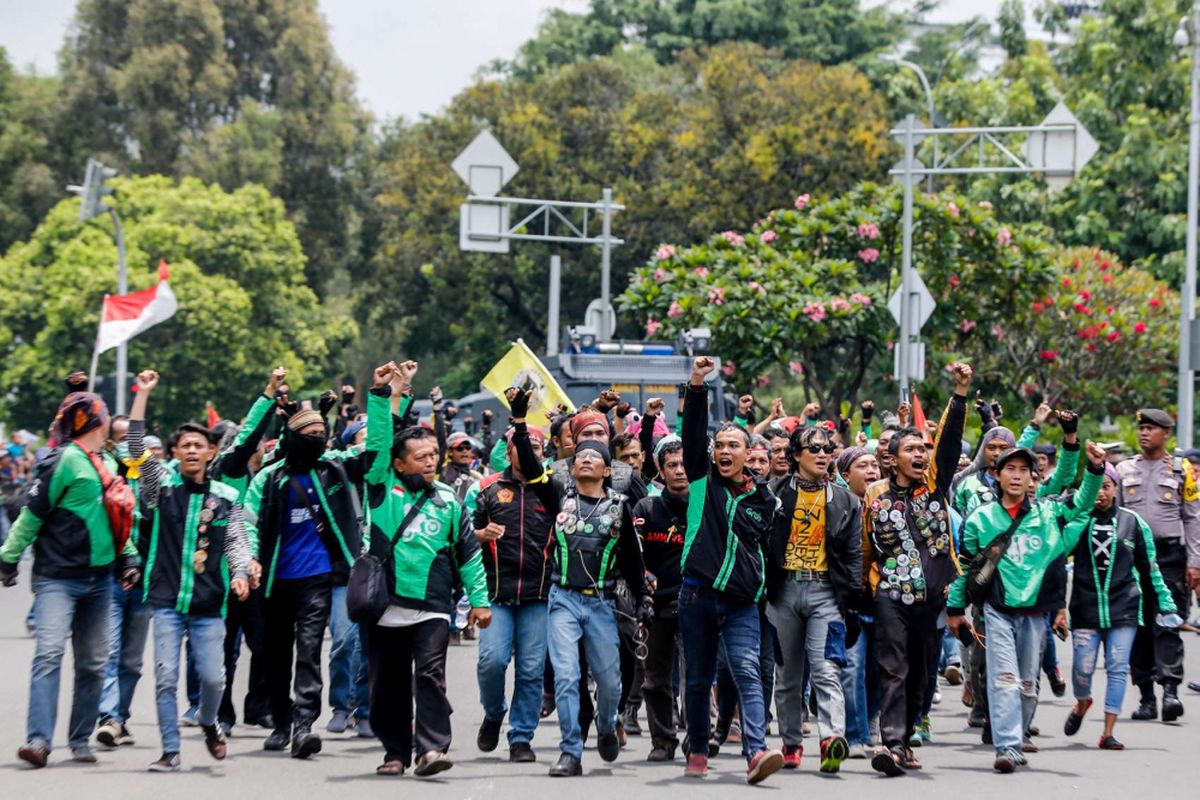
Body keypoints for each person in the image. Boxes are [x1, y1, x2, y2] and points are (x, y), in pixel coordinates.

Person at [505, 384, 649, 778]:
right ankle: (570, 751)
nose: (585, 458)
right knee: (567, 677)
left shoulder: (619, 508)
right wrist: (519, 421)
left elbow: (633, 561)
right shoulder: (559, 497)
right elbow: (533, 469)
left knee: (610, 682)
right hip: (564, 600)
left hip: (602, 603)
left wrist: (642, 603)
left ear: (608, 470)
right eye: (580, 454)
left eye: (595, 457)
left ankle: (606, 725)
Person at [362, 361, 491, 777]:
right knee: (387, 686)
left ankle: (431, 751)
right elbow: (379, 443)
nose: (430, 462)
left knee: (431, 677)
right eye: (419, 458)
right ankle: (395, 751)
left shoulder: (449, 500)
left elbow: (468, 553)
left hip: (434, 607)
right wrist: (382, 395)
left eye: (433, 455)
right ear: (399, 465)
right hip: (386, 607)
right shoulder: (382, 491)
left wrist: (479, 601)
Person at [0, 391, 141, 768]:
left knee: (94, 663)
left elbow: (121, 518)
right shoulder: (64, 460)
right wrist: (8, 558)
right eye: (105, 412)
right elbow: (32, 513)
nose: (110, 416)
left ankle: (80, 739)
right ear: (92, 418)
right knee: (49, 655)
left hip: (100, 582)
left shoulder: (109, 461)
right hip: (57, 579)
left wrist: (129, 557)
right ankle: (39, 742)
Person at [948, 442, 1107, 773]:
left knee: (1027, 685)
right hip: (997, 611)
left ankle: (1017, 736)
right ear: (997, 475)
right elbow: (966, 567)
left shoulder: (1048, 514)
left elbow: (1081, 504)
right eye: (1010, 469)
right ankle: (1006, 746)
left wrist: (1093, 470)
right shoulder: (980, 520)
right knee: (1004, 678)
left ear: (1033, 477)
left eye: (1024, 470)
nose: (1017, 476)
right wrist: (955, 609)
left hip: (1036, 616)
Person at [125, 370, 253, 771]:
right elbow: (132, 446)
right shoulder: (159, 489)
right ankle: (170, 750)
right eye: (185, 446)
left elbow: (236, 539)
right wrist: (142, 395)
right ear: (176, 453)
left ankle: (210, 721)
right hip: (164, 600)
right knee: (165, 678)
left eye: (200, 445)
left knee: (214, 679)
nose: (193, 451)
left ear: (211, 453)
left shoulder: (226, 497)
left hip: (209, 604)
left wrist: (241, 572)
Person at [244, 383, 366, 759]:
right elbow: (247, 520)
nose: (316, 440)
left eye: (321, 434)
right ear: (292, 437)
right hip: (274, 581)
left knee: (309, 650)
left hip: (317, 579)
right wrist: (249, 558)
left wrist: (384, 395)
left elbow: (375, 445)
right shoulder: (270, 478)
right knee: (275, 653)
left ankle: (303, 726)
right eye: (308, 435)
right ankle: (281, 722)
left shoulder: (334, 469)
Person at [677, 357, 783, 784]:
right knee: (699, 679)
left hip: (742, 603)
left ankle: (756, 753)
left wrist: (765, 597)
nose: (724, 451)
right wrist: (698, 385)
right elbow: (691, 432)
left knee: (747, 672)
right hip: (697, 596)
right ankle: (698, 751)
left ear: (750, 455)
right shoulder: (702, 479)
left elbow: (767, 554)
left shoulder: (764, 500)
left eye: (732, 446)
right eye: (719, 445)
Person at [862, 363, 972, 777]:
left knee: (921, 674)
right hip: (891, 595)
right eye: (910, 450)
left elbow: (949, 441)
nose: (920, 454)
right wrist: (864, 590)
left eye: (922, 450)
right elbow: (864, 548)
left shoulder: (935, 487)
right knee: (893, 669)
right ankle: (890, 744)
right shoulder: (874, 494)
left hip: (933, 598)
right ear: (892, 460)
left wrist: (959, 393)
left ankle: (904, 740)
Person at [1062, 464, 1181, 750]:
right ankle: (1082, 702)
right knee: (1082, 670)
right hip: (1085, 608)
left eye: (1107, 486)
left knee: (1117, 668)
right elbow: (1060, 553)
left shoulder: (1133, 522)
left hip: (1124, 608)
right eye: (1096, 486)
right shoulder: (1078, 519)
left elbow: (1150, 567)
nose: (1101, 492)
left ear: (1116, 488)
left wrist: (1166, 603)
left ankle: (1108, 733)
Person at [766, 424, 861, 773]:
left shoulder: (846, 500)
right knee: (787, 674)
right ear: (795, 456)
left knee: (826, 669)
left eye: (827, 449)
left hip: (826, 594)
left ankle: (831, 738)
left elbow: (853, 556)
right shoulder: (772, 494)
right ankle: (791, 743)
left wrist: (849, 602)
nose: (823, 455)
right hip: (783, 592)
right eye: (814, 449)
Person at [472, 420, 554, 763]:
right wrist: (480, 535)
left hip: (539, 595)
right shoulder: (489, 487)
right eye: (522, 447)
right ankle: (494, 713)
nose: (529, 453)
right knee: (492, 662)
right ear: (509, 451)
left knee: (532, 669)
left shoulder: (553, 489)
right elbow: (464, 537)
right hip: (496, 594)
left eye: (535, 448)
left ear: (543, 453)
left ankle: (521, 736)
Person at [1115, 409, 1199, 723]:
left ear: (1166, 433)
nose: (1144, 433)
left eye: (1151, 428)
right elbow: (1116, 517)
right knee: (1137, 627)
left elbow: (1192, 518)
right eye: (1142, 428)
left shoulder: (1183, 470)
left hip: (1169, 558)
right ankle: (1147, 697)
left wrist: (1195, 563)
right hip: (1132, 559)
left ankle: (1171, 692)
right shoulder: (1123, 469)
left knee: (1168, 623)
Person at [632, 435, 689, 761]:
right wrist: (645, 584)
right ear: (660, 470)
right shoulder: (646, 508)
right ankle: (663, 741)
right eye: (672, 465)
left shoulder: (703, 505)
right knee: (655, 679)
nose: (679, 471)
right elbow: (635, 557)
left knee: (696, 675)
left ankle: (697, 737)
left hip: (696, 602)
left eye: (683, 464)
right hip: (657, 606)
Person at [835, 446, 882, 759]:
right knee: (852, 669)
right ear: (844, 474)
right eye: (862, 465)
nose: (871, 471)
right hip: (848, 603)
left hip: (885, 602)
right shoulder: (837, 506)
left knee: (878, 672)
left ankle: (872, 721)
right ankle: (855, 736)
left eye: (874, 465)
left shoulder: (892, 504)